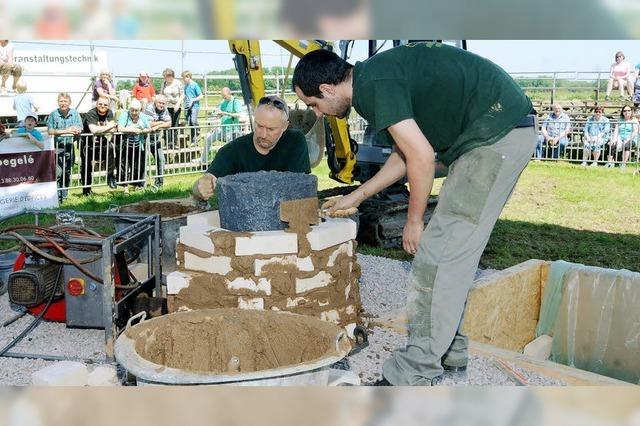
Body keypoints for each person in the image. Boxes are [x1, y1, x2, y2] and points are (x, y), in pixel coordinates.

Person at [292, 43, 536, 386]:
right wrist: (356, 195)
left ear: (328, 88)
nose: (317, 113)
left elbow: (421, 157)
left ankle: (412, 374)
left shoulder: (375, 84)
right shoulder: (374, 78)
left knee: (437, 257)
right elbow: (403, 157)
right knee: (454, 256)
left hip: (494, 136)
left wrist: (414, 220)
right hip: (496, 131)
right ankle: (450, 353)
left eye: (314, 104)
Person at [192, 95, 310, 201]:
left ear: (285, 126)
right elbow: (207, 180)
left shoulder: (294, 141)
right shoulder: (232, 151)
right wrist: (201, 186)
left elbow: (299, 185)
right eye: (259, 126)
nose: (263, 135)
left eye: (271, 129)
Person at [47, 92, 82, 202]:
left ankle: (65, 196)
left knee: (67, 171)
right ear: (58, 102)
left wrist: (74, 130)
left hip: (69, 146)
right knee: (58, 172)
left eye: (65, 101)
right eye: (61, 101)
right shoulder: (53, 114)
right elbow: (50, 130)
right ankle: (57, 196)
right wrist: (67, 131)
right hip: (57, 147)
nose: (63, 103)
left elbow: (79, 128)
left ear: (69, 102)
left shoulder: (75, 113)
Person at [81, 95, 118, 195]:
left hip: (101, 140)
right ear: (96, 104)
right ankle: (86, 190)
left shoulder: (110, 112)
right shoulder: (91, 113)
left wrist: (101, 130)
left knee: (110, 148)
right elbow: (93, 130)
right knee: (86, 166)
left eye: (105, 104)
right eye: (100, 104)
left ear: (108, 106)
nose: (102, 106)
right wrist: (109, 126)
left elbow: (114, 129)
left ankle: (110, 177)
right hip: (87, 142)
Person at [117, 99, 151, 194]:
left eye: (136, 110)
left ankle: (136, 185)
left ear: (140, 110)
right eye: (132, 110)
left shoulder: (143, 116)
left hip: (139, 145)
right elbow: (120, 128)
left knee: (138, 165)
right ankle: (125, 187)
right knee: (124, 165)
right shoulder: (124, 115)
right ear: (129, 109)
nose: (134, 112)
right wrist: (132, 129)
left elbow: (149, 128)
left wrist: (141, 131)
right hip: (125, 144)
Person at [142, 94, 171, 188]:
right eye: (160, 102)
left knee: (161, 160)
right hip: (145, 138)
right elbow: (148, 124)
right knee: (144, 161)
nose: (161, 105)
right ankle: (142, 184)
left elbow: (169, 123)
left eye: (163, 103)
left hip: (156, 139)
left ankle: (159, 184)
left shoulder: (165, 109)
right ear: (155, 102)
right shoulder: (149, 108)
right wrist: (161, 122)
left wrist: (158, 126)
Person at [606, 105, 638, 170]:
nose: (627, 112)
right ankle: (610, 163)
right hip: (620, 137)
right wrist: (614, 139)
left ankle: (623, 164)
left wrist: (628, 139)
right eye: (625, 111)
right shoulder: (620, 120)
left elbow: (635, 132)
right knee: (611, 144)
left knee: (627, 145)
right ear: (622, 112)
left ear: (631, 111)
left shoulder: (634, 120)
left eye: (628, 110)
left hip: (631, 138)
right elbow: (616, 130)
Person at [161, 68, 183, 148]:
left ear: (171, 76)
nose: (165, 78)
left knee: (174, 124)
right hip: (166, 107)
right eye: (164, 77)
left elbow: (182, 95)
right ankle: (168, 143)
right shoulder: (164, 84)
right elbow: (161, 94)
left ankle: (174, 143)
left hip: (176, 107)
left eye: (166, 76)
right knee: (166, 124)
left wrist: (178, 104)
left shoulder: (178, 83)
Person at [182, 70, 203, 145]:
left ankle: (198, 128)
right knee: (190, 123)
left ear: (188, 77)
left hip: (195, 106)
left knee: (193, 121)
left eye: (184, 78)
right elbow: (185, 95)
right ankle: (193, 140)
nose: (183, 80)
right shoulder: (186, 86)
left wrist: (193, 100)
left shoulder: (195, 85)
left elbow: (201, 96)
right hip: (187, 106)